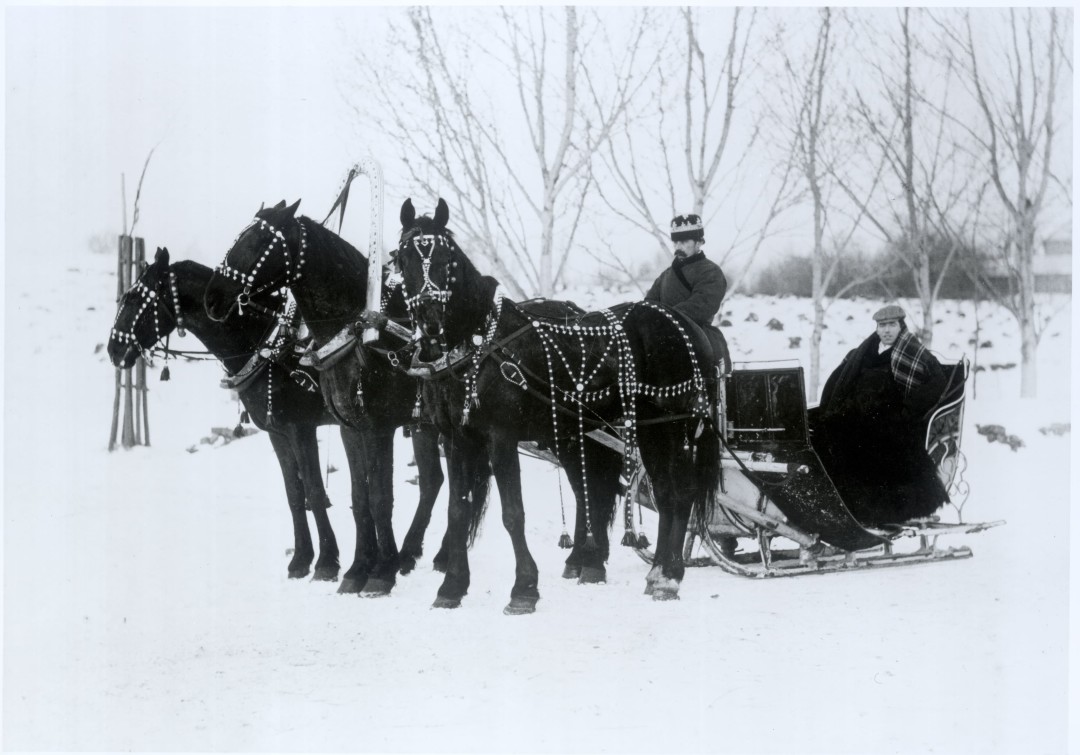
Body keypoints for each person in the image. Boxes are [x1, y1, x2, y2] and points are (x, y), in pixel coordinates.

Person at [810, 304, 950, 526]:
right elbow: (841, 381)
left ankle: (872, 511)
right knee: (822, 428)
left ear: (900, 326)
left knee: (860, 441)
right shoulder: (865, 352)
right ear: (876, 328)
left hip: (893, 419)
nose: (886, 330)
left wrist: (904, 412)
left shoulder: (913, 352)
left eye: (891, 325)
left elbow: (935, 385)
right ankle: (836, 504)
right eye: (882, 325)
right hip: (861, 413)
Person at [645, 213, 731, 372]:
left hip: (698, 340)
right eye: (676, 242)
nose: (678, 247)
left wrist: (666, 318)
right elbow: (649, 304)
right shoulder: (665, 276)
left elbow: (702, 305)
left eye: (684, 242)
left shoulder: (711, 272)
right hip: (662, 340)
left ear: (699, 242)